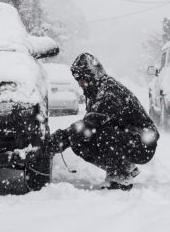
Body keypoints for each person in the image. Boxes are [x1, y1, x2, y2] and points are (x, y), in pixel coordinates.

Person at [47, 52, 160, 190]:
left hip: (143, 143)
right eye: (78, 80)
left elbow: (89, 124)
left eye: (81, 78)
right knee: (79, 141)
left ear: (90, 74)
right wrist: (66, 139)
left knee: (103, 134)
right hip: (129, 137)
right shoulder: (96, 90)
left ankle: (120, 176)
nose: (80, 83)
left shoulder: (109, 91)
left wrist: (57, 141)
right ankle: (125, 167)